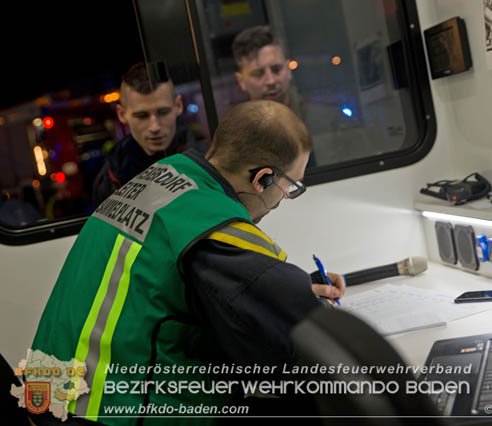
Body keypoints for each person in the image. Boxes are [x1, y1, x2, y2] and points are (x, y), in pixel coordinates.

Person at [29, 100, 345, 425]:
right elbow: (282, 342)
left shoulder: (163, 178)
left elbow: (173, 285)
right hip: (104, 411)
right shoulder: (210, 224)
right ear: (262, 178)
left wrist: (280, 292)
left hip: (53, 397)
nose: (283, 200)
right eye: (290, 187)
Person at [92, 62, 197, 207]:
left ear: (178, 106)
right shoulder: (110, 177)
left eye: (163, 112)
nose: (154, 127)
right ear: (121, 114)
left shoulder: (207, 161)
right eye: (142, 116)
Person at [232, 26, 320, 167]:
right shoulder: (236, 142)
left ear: (288, 69)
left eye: (276, 69)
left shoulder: (323, 121)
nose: (271, 81)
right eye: (258, 73)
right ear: (241, 81)